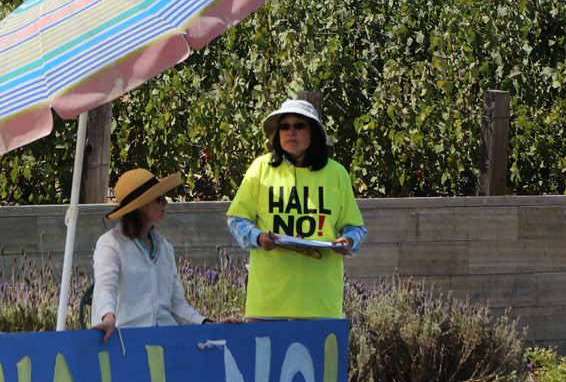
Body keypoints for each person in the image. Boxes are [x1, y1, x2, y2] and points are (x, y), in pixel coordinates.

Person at [226, 98, 367, 319]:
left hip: (321, 306)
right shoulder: (259, 169)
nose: (290, 131)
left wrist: (348, 241)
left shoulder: (337, 173)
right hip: (267, 306)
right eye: (284, 126)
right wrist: (258, 237)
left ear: (314, 133)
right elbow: (236, 219)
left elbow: (355, 228)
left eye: (299, 125)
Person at [91, 167, 205, 341]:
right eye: (160, 198)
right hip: (125, 343)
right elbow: (106, 287)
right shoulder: (111, 244)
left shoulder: (165, 248)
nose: (165, 203)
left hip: (166, 341)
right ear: (142, 205)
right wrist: (108, 318)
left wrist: (206, 323)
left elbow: (177, 304)